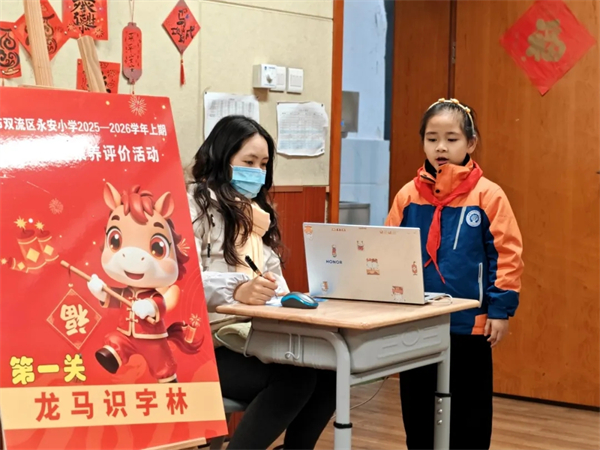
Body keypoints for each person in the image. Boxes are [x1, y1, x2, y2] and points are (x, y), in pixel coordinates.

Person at [187, 115, 336, 450]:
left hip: (249, 338)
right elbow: (183, 280)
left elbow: (274, 281)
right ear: (222, 159)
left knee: (329, 371)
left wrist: (280, 294)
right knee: (295, 380)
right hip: (201, 346)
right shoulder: (192, 205)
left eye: (264, 164)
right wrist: (238, 290)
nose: (257, 171)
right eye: (248, 162)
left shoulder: (257, 215)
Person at [385, 98, 524, 450]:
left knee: (469, 418)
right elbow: (388, 252)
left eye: (452, 139)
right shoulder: (407, 195)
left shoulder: (489, 195)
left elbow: (506, 255)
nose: (441, 148)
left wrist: (500, 310)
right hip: (417, 324)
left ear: (471, 143)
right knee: (418, 414)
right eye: (432, 139)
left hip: (469, 325)